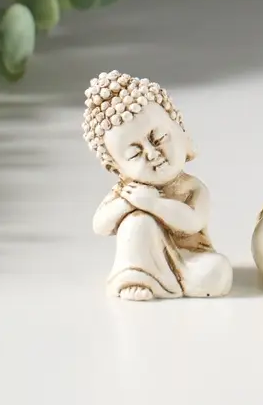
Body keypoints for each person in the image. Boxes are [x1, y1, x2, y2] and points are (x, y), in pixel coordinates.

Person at [83, 71, 232, 301]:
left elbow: (192, 222)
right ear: (117, 169)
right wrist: (126, 204)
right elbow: (100, 226)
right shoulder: (127, 192)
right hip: (144, 263)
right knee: (136, 223)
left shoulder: (191, 188)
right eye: (135, 154)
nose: (152, 154)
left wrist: (153, 204)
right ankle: (136, 277)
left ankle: (170, 281)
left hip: (189, 260)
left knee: (217, 271)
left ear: (180, 130)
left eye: (159, 138)